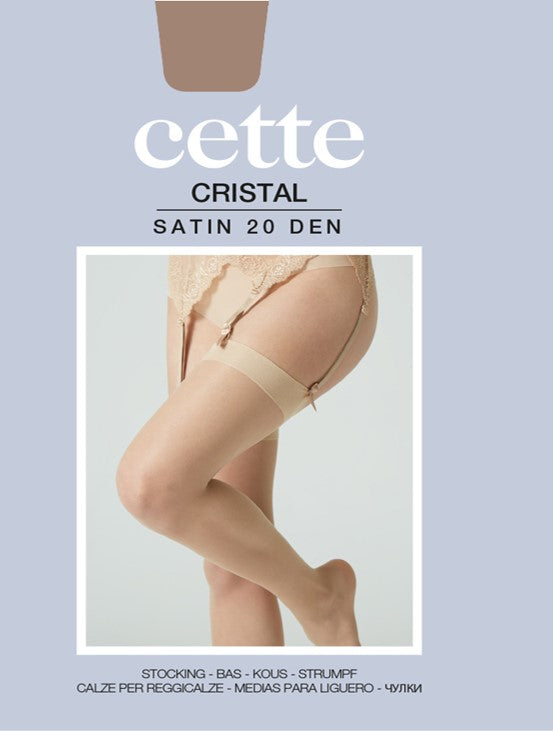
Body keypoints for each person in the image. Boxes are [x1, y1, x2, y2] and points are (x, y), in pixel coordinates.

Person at [116, 254, 378, 646]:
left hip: (308, 266)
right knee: (233, 568)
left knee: (153, 485)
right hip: (197, 275)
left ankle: (320, 600)